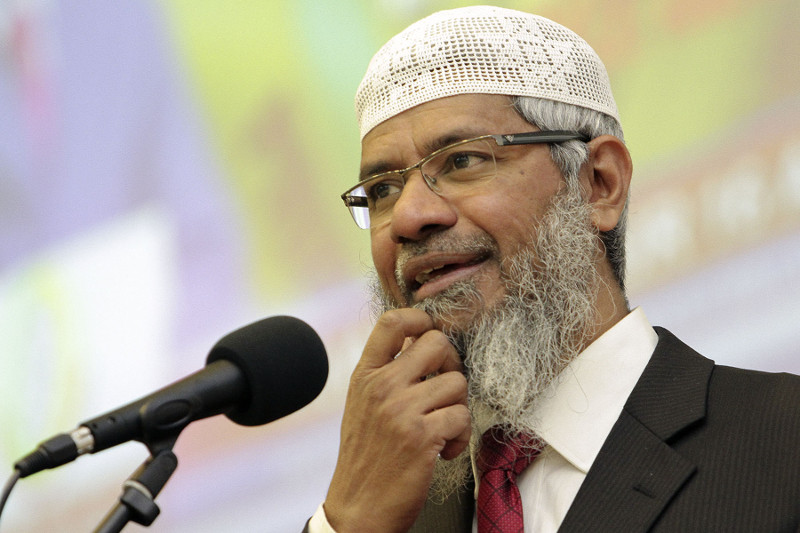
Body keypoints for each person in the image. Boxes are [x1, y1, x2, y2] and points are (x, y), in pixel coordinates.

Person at [306, 6, 800, 532]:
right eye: (382, 190)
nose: (408, 216)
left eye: (462, 160)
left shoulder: (783, 445)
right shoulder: (384, 515)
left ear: (599, 183)